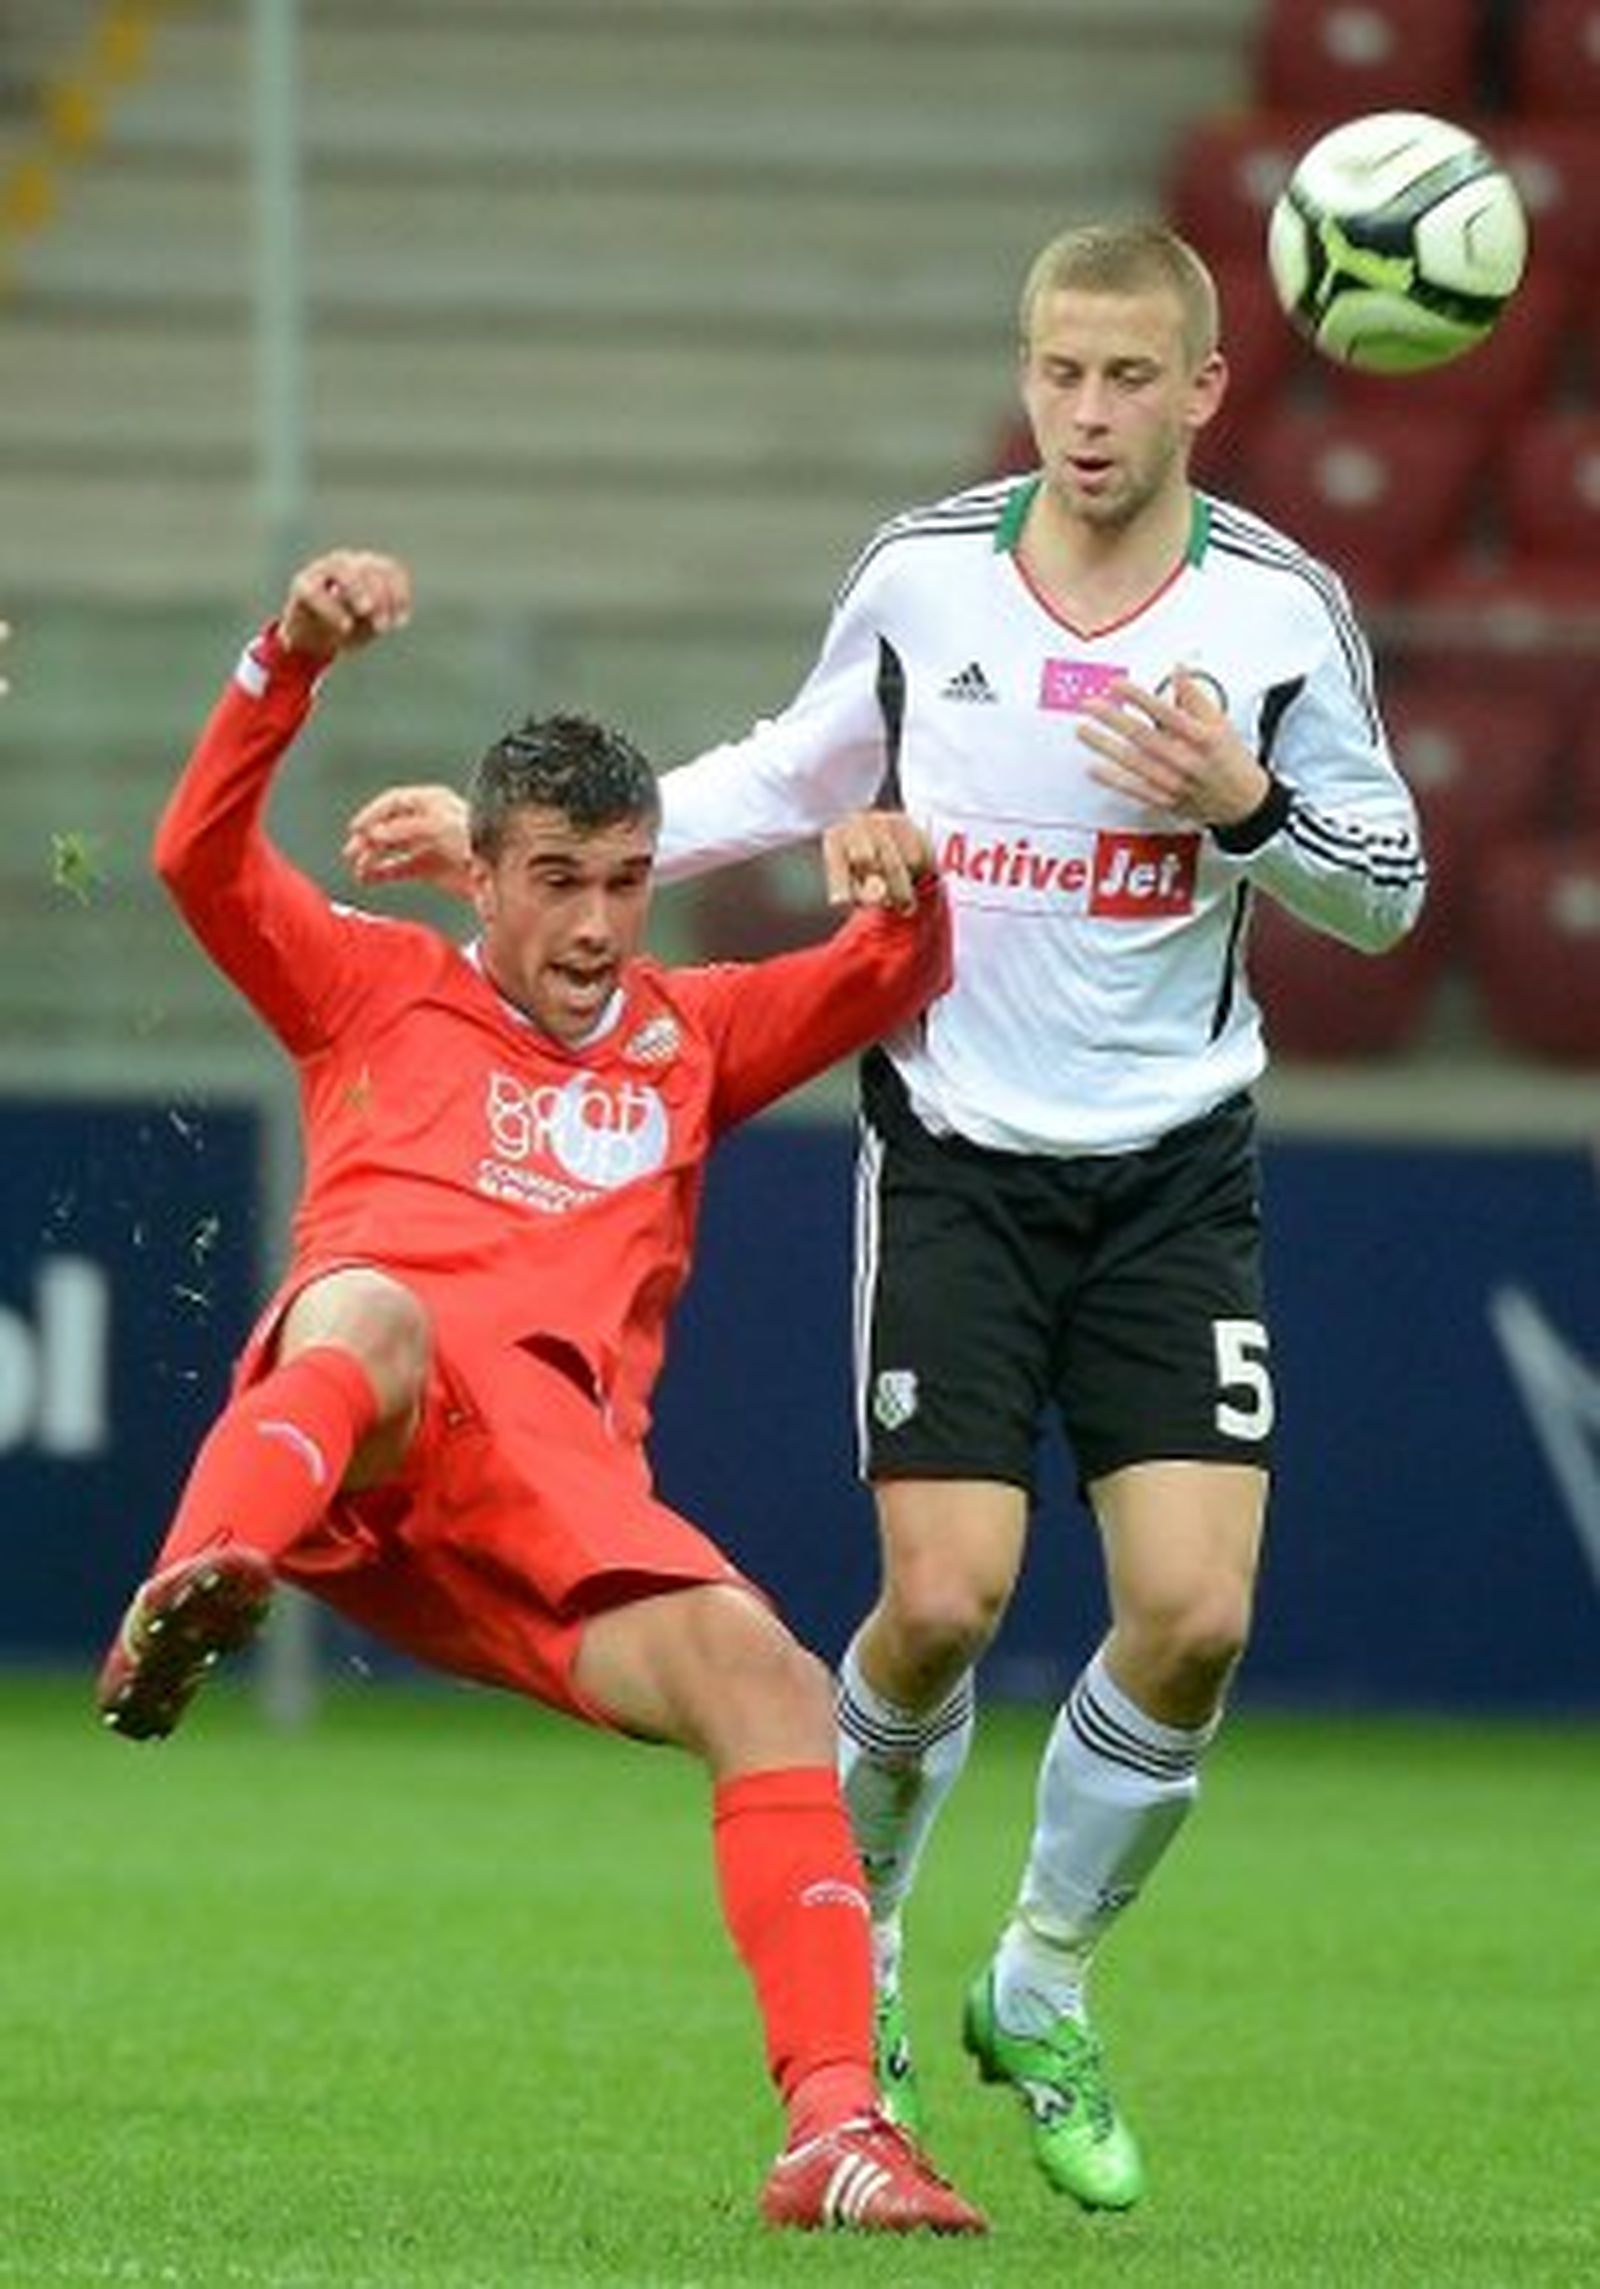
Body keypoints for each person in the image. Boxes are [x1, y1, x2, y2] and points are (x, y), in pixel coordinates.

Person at [342, 221, 1428, 2213]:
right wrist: (539, 855)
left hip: (1174, 1160)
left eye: (1125, 379)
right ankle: (876, 1969)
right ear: (1026, 376)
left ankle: (1040, 1974)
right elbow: (782, 761)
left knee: (1191, 1619)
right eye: (1054, 374)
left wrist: (1240, 805)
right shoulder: (928, 573)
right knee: (939, 1599)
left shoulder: (1276, 613)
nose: (1084, 414)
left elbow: (1389, 884)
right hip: (954, 1151)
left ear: (1197, 392)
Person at [95, 546, 989, 2240]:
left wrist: (896, 875)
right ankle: (192, 1588)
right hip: (363, 1421)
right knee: (371, 1305)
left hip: (547, 1500)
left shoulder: (692, 1034)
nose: (593, 924)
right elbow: (194, 859)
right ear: (479, 879)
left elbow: (894, 971)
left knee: (774, 1678)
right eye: (558, 880)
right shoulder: (372, 983)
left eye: (626, 881)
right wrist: (287, 658)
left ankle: (834, 2132)